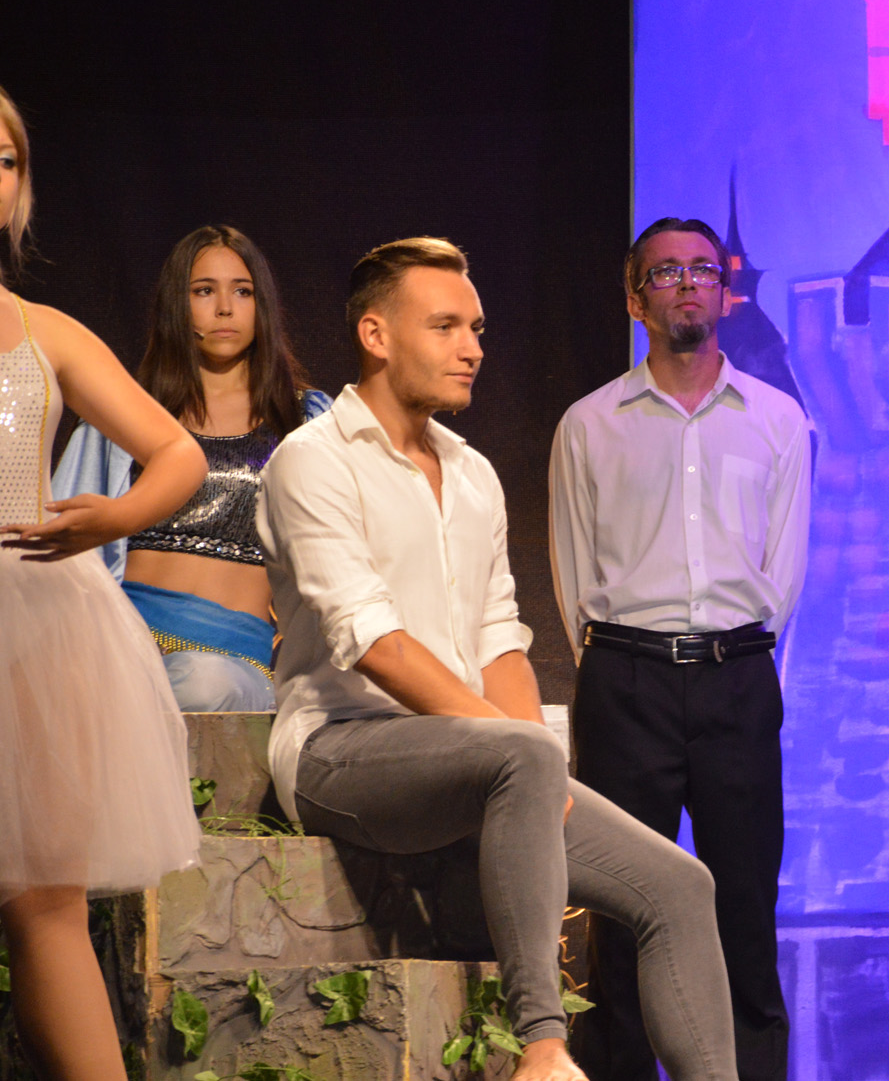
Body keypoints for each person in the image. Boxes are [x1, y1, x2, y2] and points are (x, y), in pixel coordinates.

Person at [258, 237, 738, 1081]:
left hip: (473, 757)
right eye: (445, 326)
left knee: (680, 885)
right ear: (376, 334)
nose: (472, 347)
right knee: (522, 750)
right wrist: (521, 751)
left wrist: (532, 765)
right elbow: (373, 643)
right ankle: (543, 1049)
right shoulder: (313, 459)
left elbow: (498, 640)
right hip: (339, 748)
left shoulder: (473, 474)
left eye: (476, 328)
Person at [549, 217, 809, 1081]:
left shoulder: (776, 420)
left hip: (737, 678)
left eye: (703, 269)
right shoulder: (589, 424)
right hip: (626, 681)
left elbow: (783, 572)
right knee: (621, 914)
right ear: (636, 300)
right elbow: (574, 573)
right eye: (665, 273)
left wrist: (741, 664)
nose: (688, 283)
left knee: (745, 911)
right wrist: (618, 670)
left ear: (725, 293)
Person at [0, 84, 206, 1081]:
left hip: (32, 616)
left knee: (47, 896)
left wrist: (113, 517)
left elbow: (177, 454)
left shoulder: (47, 331)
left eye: (6, 160)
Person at [53, 225, 330, 711]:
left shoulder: (307, 422)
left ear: (262, 305)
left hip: (235, 665)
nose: (224, 308)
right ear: (176, 306)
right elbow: (63, 540)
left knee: (205, 683)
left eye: (242, 292)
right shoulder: (125, 418)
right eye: (203, 291)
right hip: (123, 645)